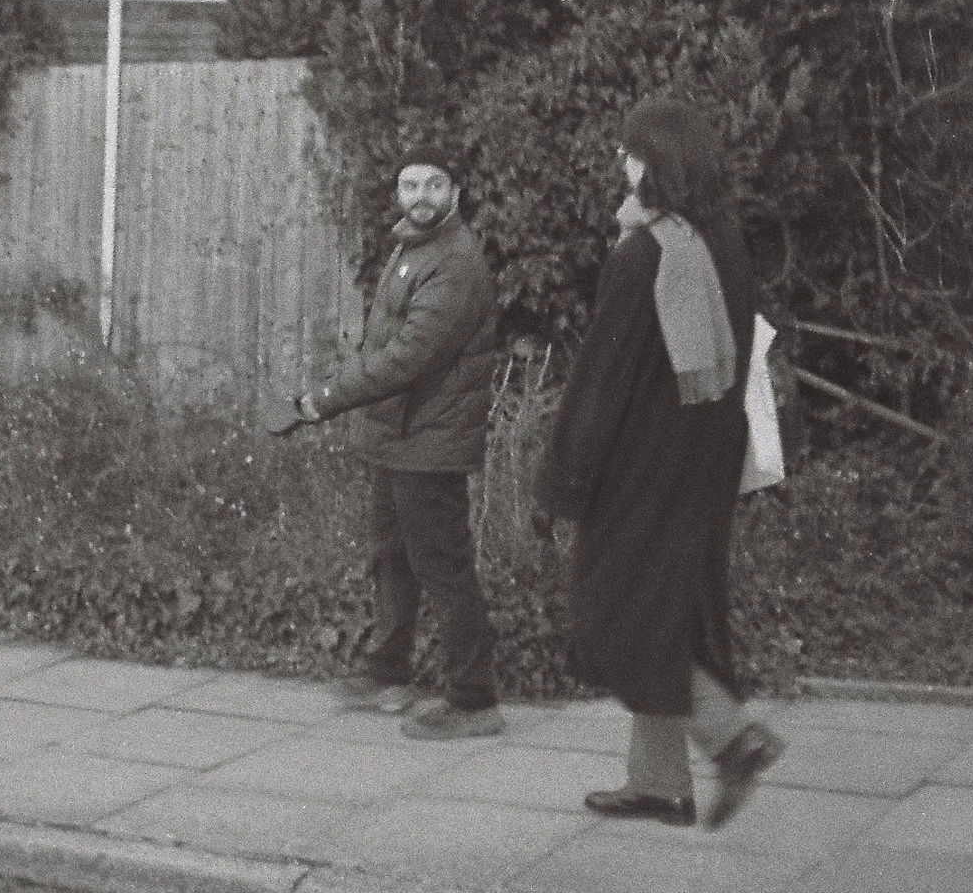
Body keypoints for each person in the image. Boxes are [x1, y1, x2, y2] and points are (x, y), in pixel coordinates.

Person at [538, 98, 783, 828]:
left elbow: (600, 386)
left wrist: (561, 484)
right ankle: (659, 784)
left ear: (659, 164)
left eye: (631, 155)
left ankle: (733, 739)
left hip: (641, 474)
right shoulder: (724, 243)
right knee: (668, 613)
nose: (623, 166)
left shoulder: (645, 255)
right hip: (705, 467)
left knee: (615, 619)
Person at [268, 146, 504, 740]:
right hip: (395, 437)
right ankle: (389, 675)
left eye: (433, 185)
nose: (419, 197)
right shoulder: (413, 247)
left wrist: (320, 401)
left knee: (444, 567)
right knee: (392, 559)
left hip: (431, 439)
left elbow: (408, 358)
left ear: (457, 193)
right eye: (408, 185)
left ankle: (475, 701)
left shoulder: (454, 262)